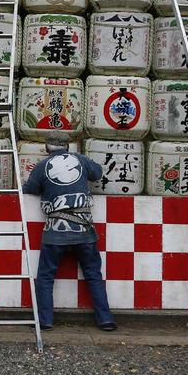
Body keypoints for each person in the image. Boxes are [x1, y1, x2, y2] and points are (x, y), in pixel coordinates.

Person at [22, 131, 117, 332]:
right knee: (93, 274)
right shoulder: (80, 160)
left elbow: (30, 188)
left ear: (47, 147)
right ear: (68, 146)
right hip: (83, 228)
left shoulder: (41, 167)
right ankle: (106, 320)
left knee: (46, 277)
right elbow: (98, 173)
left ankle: (45, 321)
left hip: (55, 231)